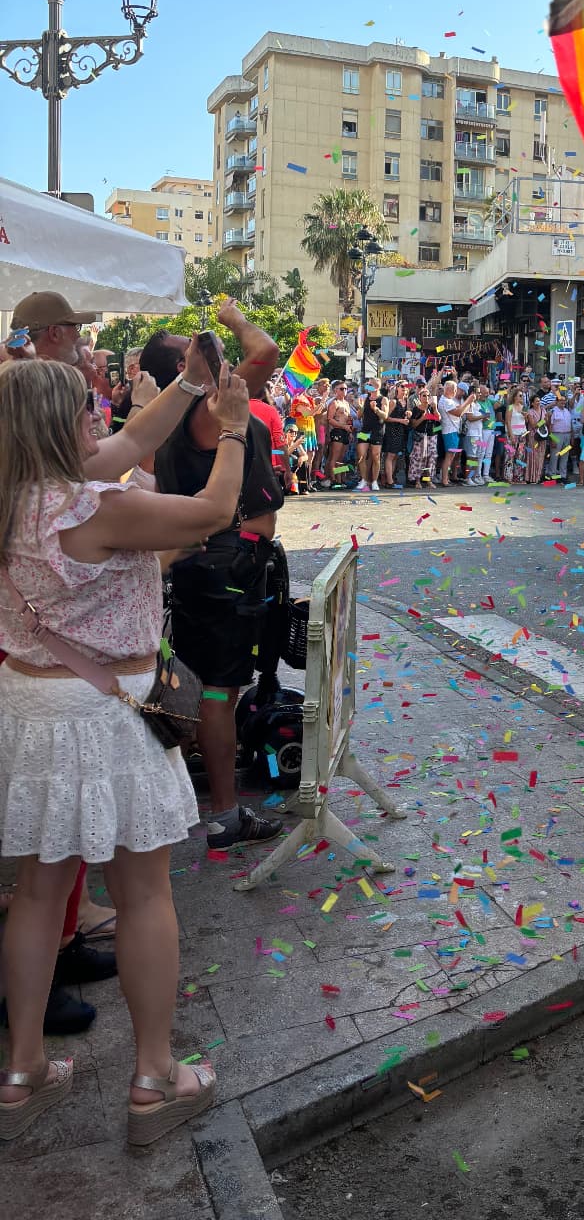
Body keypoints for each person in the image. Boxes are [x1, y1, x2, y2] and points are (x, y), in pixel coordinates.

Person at [0, 355, 250, 1143]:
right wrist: (234, 429)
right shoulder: (95, 508)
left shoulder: (14, 495)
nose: (97, 417)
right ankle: (153, 1077)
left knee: (38, 893)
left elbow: (129, 442)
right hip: (105, 711)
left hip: (31, 701)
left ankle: (22, 1070)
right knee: (142, 894)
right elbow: (215, 510)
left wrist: (185, 387)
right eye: (84, 408)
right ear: (57, 424)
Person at [139, 301, 284, 847]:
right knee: (218, 694)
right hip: (225, 566)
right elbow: (266, 351)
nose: (208, 347)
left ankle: (191, 796)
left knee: (208, 687)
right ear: (184, 369)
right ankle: (225, 814)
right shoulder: (205, 410)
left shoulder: (166, 420)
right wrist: (233, 319)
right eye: (194, 348)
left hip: (210, 564)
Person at [356, 381, 387, 493]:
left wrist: (376, 409)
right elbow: (359, 416)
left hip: (377, 430)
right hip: (364, 430)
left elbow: (385, 416)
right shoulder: (364, 398)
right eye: (368, 384)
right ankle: (364, 480)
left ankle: (374, 481)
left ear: (377, 386)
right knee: (361, 456)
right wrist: (360, 408)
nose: (368, 386)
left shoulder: (383, 399)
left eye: (370, 384)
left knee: (376, 457)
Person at [322, 381, 354, 489]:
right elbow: (330, 419)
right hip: (337, 431)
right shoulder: (334, 403)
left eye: (346, 389)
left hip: (345, 432)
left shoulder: (346, 403)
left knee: (341, 459)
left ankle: (339, 479)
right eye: (341, 389)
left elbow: (348, 419)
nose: (344, 391)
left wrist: (350, 431)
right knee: (334, 458)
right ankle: (333, 480)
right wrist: (343, 426)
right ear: (336, 390)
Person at [406, 386, 438, 485]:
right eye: (424, 396)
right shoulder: (416, 409)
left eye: (428, 396)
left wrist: (435, 408)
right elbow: (413, 425)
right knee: (419, 458)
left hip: (432, 436)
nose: (426, 397)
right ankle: (417, 481)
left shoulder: (432, 408)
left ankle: (428, 480)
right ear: (419, 397)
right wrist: (422, 418)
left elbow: (438, 419)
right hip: (420, 436)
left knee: (431, 458)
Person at [437, 379, 466, 488]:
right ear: (448, 389)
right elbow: (458, 413)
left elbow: (458, 409)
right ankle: (444, 480)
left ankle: (446, 478)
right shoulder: (446, 401)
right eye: (454, 390)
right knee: (449, 456)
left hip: (451, 430)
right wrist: (468, 401)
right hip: (450, 431)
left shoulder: (447, 400)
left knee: (452, 456)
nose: (455, 392)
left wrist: (466, 404)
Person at [380, 383, 408, 489]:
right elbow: (386, 418)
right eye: (402, 386)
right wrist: (400, 420)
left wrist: (408, 414)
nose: (404, 388)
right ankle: (389, 481)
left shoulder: (406, 401)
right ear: (397, 388)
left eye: (406, 386)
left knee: (395, 456)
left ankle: (390, 479)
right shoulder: (393, 401)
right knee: (390, 456)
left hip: (401, 431)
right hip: (392, 430)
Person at [547, 390, 574, 482]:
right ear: (557, 401)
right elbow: (550, 426)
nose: (563, 402)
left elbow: (570, 424)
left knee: (565, 456)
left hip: (567, 435)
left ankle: (563, 475)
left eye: (564, 400)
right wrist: (552, 439)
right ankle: (552, 475)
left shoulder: (567, 411)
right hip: (557, 435)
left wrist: (572, 437)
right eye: (561, 400)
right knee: (555, 456)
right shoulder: (553, 411)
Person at [503, 387, 528, 483]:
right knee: (510, 456)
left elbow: (525, 421)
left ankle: (518, 477)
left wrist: (526, 416)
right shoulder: (510, 407)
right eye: (520, 395)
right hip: (512, 433)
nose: (521, 397)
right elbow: (508, 421)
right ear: (514, 397)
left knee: (520, 456)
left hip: (522, 433)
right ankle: (508, 477)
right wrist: (511, 435)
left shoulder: (523, 407)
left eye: (522, 396)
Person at [525, 395, 548, 485]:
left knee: (541, 456)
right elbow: (533, 425)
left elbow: (547, 422)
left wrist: (547, 420)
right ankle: (531, 477)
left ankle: (538, 477)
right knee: (533, 456)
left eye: (539, 401)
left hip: (542, 435)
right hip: (533, 436)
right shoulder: (530, 412)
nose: (539, 403)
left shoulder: (543, 410)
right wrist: (543, 421)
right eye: (537, 401)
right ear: (532, 403)